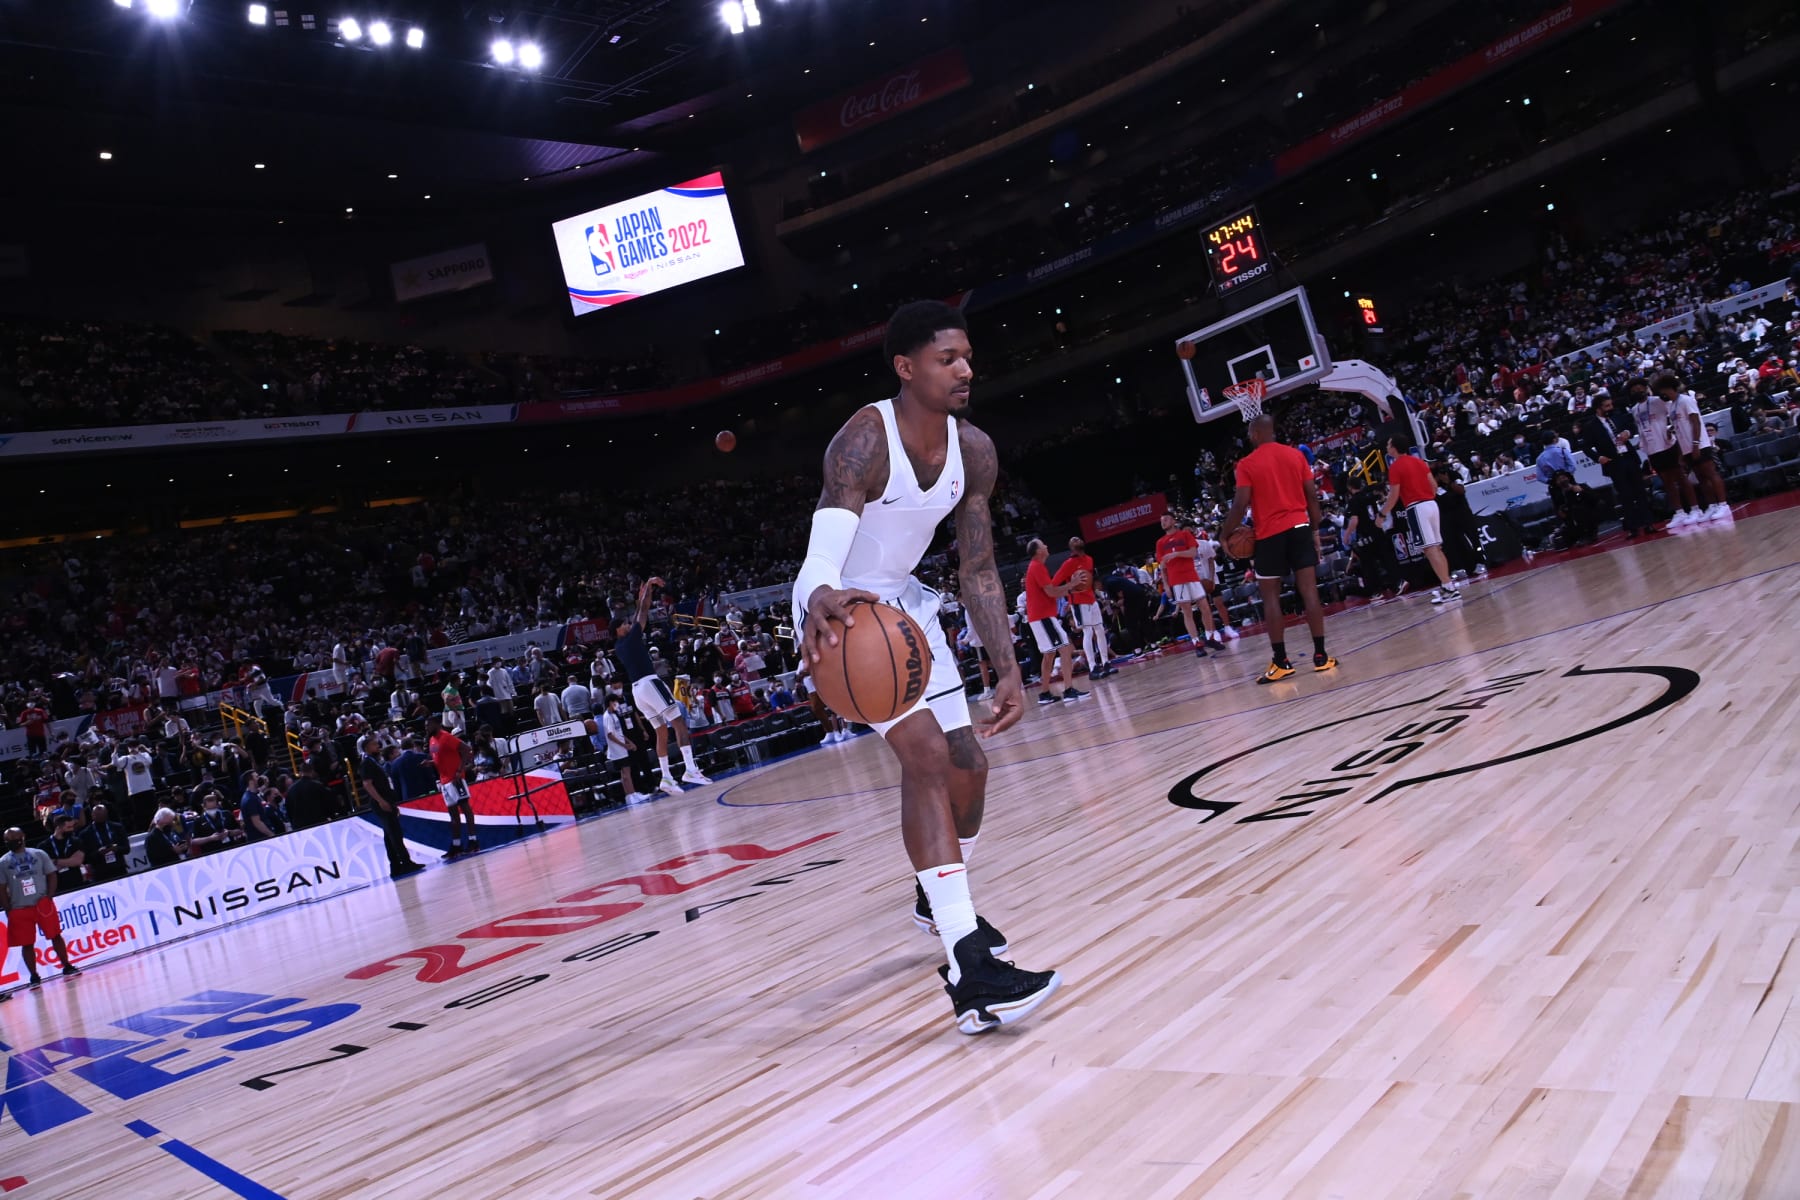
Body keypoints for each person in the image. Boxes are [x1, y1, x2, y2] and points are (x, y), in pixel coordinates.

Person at [793, 299, 1060, 1035]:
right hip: (841, 610)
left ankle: (932, 895)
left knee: (969, 764)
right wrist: (817, 593)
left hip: (906, 612)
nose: (966, 369)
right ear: (907, 368)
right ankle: (969, 966)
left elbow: (977, 570)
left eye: (968, 356)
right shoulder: (864, 439)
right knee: (927, 756)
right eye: (949, 359)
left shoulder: (974, 450)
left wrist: (1009, 666)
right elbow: (826, 541)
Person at [1220, 414, 1339, 683]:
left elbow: (1240, 506)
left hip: (1269, 535)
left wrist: (1223, 535)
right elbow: (1312, 496)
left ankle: (1281, 662)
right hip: (1299, 527)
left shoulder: (1247, 464)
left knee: (1271, 597)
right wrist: (1314, 527)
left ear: (1254, 435)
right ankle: (1321, 656)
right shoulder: (1295, 456)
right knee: (1309, 591)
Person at [614, 577, 714, 793]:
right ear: (618, 630)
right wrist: (647, 589)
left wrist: (644, 595)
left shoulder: (620, 646)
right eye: (624, 624)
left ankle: (667, 778)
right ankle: (690, 769)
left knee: (661, 731)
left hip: (637, 691)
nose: (628, 625)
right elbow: (642, 611)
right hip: (650, 684)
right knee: (678, 722)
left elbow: (640, 612)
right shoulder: (630, 639)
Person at [1381, 438, 1461, 604]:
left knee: (1430, 550)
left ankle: (1449, 587)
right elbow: (1432, 485)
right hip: (1431, 504)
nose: (1387, 447)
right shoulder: (1418, 461)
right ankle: (1448, 586)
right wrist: (1428, 498)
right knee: (1437, 548)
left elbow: (1394, 495)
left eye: (1389, 444)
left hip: (1416, 507)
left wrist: (1382, 514)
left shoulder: (1395, 467)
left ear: (1394, 448)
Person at [3, 826, 80, 986]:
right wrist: (7, 907)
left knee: (56, 935)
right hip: (19, 908)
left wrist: (50, 896)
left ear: (23, 837)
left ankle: (66, 965)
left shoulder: (38, 854)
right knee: (27, 943)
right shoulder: (3, 862)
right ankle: (34, 976)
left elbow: (52, 874)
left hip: (42, 904)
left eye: (14, 839)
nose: (11, 842)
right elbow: (1, 887)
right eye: (8, 840)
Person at [1579, 392, 1658, 537]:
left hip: (1629, 457)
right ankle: (1632, 528)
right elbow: (1585, 447)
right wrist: (1598, 457)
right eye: (1607, 406)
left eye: (1611, 404)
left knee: (1640, 491)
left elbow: (1632, 427)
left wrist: (1628, 432)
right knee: (1625, 495)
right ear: (1598, 408)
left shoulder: (1617, 416)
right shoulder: (1591, 426)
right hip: (1613, 462)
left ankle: (1649, 523)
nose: (1610, 407)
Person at [1655, 373, 1731, 522]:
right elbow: (1679, 429)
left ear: (1669, 388)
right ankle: (1712, 506)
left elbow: (1695, 422)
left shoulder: (1686, 400)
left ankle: (1723, 505)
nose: (1660, 394)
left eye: (1662, 390)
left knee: (1710, 474)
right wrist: (1681, 452)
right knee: (1701, 478)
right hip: (1686, 447)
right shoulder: (1672, 406)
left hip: (1699, 444)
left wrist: (1696, 444)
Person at [1627, 376, 1701, 527]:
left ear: (1645, 389)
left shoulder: (1658, 401)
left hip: (1668, 445)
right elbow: (1641, 429)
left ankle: (1695, 509)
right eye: (1634, 390)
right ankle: (1679, 512)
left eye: (1639, 389)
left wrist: (1671, 430)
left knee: (1681, 478)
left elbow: (1675, 415)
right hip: (1653, 450)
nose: (1637, 392)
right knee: (1666, 483)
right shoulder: (1634, 410)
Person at [1022, 539, 1086, 705]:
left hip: (1038, 617)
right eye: (1044, 545)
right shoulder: (1037, 566)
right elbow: (1051, 592)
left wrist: (1069, 587)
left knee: (1049, 655)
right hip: (1042, 617)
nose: (1047, 546)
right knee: (1065, 648)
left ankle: (1044, 693)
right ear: (1038, 551)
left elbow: (1051, 592)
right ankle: (1069, 689)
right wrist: (1072, 584)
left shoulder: (1035, 567)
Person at [357, 734, 423, 878]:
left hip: (386, 799)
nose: (378, 747)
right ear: (367, 747)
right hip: (381, 801)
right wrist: (381, 801)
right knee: (395, 833)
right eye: (375, 745)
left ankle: (395, 866)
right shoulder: (366, 763)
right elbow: (367, 784)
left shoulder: (372, 761)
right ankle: (406, 862)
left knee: (389, 835)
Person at [1153, 513, 1216, 657]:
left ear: (1174, 520)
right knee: (1187, 612)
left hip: (1192, 576)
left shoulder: (1185, 535)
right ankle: (1196, 643)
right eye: (1161, 520)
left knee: (1205, 608)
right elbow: (1162, 566)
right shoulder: (1160, 543)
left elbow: (1193, 553)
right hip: (1176, 581)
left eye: (1166, 519)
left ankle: (1209, 636)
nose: (1163, 522)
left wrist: (1175, 554)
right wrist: (1166, 586)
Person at [1054, 536, 1115, 679]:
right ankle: (1093, 667)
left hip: (1091, 599)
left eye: (1078, 539)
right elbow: (1054, 583)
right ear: (1071, 547)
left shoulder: (1089, 559)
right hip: (1078, 602)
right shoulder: (1068, 564)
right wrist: (1068, 590)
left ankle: (1106, 662)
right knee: (1088, 632)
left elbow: (1090, 581)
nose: (1077, 540)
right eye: (1073, 540)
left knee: (1099, 630)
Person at [426, 716, 479, 858]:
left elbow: (467, 750)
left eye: (428, 725)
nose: (426, 728)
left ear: (437, 724)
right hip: (444, 781)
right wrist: (431, 762)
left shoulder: (447, 737)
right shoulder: (432, 740)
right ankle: (456, 845)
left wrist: (460, 770)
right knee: (453, 815)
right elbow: (440, 757)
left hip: (455, 778)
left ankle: (473, 841)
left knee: (466, 809)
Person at [600, 693, 653, 804]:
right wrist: (624, 745)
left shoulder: (614, 715)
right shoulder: (607, 716)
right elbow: (610, 735)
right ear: (610, 702)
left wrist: (629, 742)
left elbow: (619, 733)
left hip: (622, 748)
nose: (617, 704)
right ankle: (631, 795)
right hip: (618, 750)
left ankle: (631, 795)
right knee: (626, 774)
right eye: (615, 702)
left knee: (625, 774)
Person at [79, 802, 132, 882]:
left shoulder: (117, 827)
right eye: (98, 815)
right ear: (92, 815)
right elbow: (85, 858)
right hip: (99, 873)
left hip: (119, 869)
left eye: (102, 814)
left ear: (107, 814)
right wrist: (99, 853)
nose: (100, 817)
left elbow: (127, 849)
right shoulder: (85, 834)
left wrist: (116, 849)